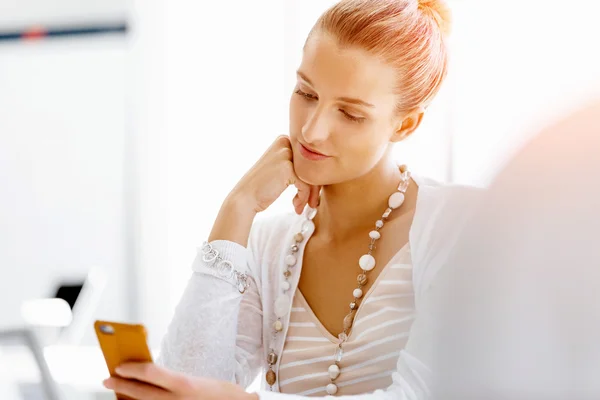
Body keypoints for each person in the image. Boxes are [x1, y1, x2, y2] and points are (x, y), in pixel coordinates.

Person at [102, 0, 480, 398]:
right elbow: (185, 383)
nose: (312, 131)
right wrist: (238, 207)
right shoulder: (272, 246)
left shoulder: (457, 225)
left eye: (350, 114)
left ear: (405, 124)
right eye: (306, 93)